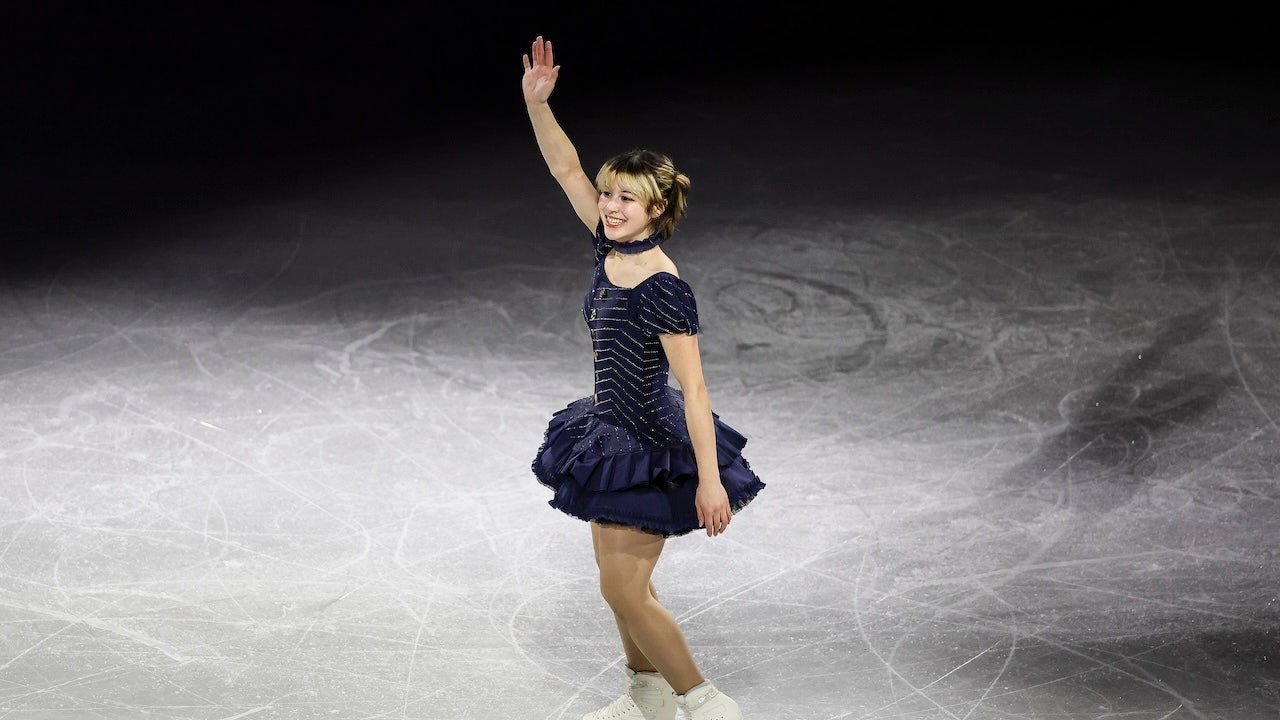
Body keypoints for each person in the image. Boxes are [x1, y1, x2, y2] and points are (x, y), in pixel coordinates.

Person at [522, 36, 765, 720]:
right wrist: (538, 105)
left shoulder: (663, 285)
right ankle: (646, 696)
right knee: (617, 585)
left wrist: (710, 480)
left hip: (652, 445)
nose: (610, 205)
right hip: (607, 434)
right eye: (608, 194)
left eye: (627, 199)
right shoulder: (608, 245)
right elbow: (565, 167)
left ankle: (705, 701)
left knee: (625, 590)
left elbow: (695, 389)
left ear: (656, 209)